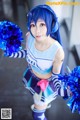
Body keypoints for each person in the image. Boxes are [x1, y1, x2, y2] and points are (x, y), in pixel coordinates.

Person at [5, 4, 71, 120]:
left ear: (51, 25)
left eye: (42, 24)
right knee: (36, 97)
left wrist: (63, 90)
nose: (37, 30)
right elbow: (27, 53)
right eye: (33, 24)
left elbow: (55, 76)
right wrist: (11, 52)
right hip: (33, 77)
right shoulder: (30, 37)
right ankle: (43, 103)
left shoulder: (57, 51)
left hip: (45, 85)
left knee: (37, 114)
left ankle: (42, 106)